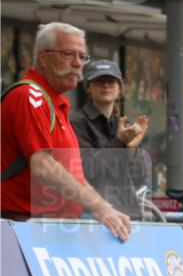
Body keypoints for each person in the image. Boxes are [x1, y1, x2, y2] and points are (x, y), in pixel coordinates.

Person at [1, 22, 130, 240]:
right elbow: (43, 166)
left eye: (82, 56)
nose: (77, 63)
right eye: (68, 54)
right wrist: (100, 208)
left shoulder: (54, 103)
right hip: (21, 230)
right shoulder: (29, 96)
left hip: (46, 232)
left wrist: (106, 208)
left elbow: (74, 175)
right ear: (43, 58)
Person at [70, 59, 150, 219]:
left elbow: (140, 177)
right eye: (99, 81)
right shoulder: (77, 122)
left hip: (128, 214)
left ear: (119, 87)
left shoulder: (123, 125)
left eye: (111, 81)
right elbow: (86, 171)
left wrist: (132, 150)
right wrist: (119, 143)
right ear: (88, 87)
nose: (105, 85)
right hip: (93, 216)